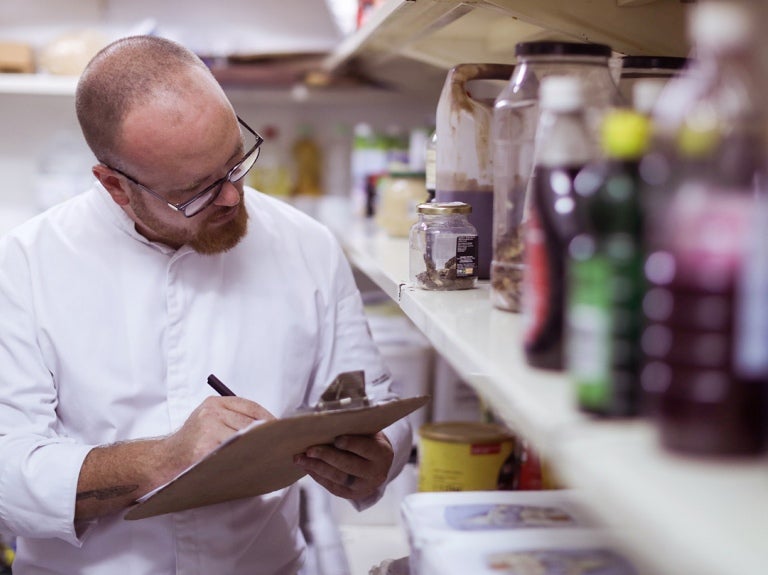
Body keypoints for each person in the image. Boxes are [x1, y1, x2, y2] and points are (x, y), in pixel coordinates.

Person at [0, 35, 412, 574]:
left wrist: (375, 457)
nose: (233, 198)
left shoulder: (305, 244)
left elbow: (368, 398)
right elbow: (9, 473)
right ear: (116, 187)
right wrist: (162, 460)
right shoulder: (25, 265)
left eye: (236, 162)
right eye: (195, 190)